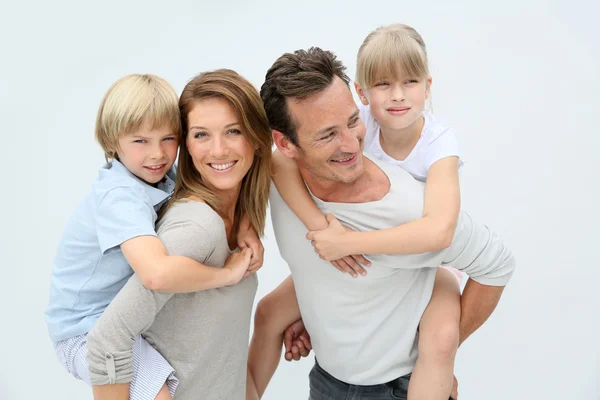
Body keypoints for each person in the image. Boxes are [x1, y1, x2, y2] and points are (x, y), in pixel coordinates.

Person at [248, 47, 516, 400]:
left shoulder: (409, 209)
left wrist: (438, 353)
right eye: (327, 135)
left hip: (397, 390)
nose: (350, 144)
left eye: (352, 122)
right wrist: (316, 318)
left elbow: (496, 265)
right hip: (326, 382)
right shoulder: (279, 176)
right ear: (286, 144)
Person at [45, 73, 264, 399]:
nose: (158, 154)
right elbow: (157, 274)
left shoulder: (160, 177)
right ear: (111, 142)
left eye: (168, 139)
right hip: (83, 328)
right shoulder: (120, 197)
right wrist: (226, 274)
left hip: (114, 320)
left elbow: (221, 180)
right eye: (140, 141)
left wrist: (246, 223)